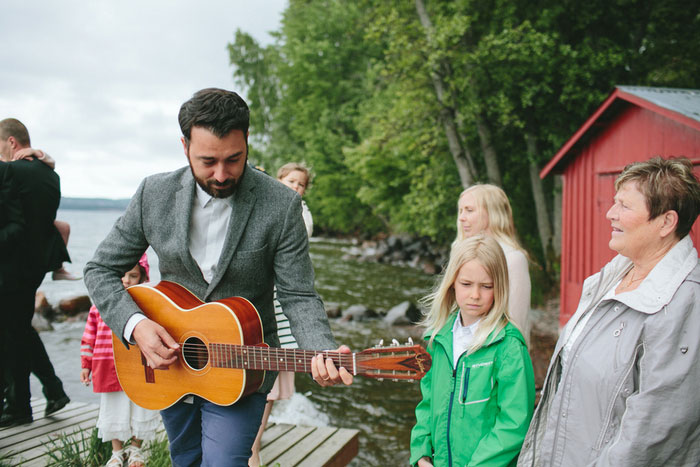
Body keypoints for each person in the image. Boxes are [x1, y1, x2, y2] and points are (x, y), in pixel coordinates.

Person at [83, 88, 353, 466]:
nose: (222, 174)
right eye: (208, 161)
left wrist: (321, 347)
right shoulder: (153, 194)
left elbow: (298, 295)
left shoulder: (282, 204)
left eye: (234, 159)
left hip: (245, 370)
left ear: (246, 142)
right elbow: (99, 270)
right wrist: (136, 326)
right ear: (184, 146)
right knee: (186, 460)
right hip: (169, 365)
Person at [518, 156, 700, 467]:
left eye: (624, 206)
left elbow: (649, 438)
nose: (610, 213)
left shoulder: (685, 304)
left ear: (666, 223)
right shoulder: (613, 276)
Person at [410, 235, 535, 467]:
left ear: (499, 287)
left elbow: (514, 423)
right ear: (452, 283)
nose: (475, 295)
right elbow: (427, 404)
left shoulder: (509, 347)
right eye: (466, 284)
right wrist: (421, 453)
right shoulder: (438, 340)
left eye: (486, 286)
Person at [0, 118, 70, 427]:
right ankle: (51, 390)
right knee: (19, 330)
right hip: (36, 266)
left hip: (11, 266)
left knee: (14, 334)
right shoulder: (49, 174)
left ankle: (19, 406)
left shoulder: (11, 171)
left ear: (11, 142)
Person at [249, 162, 313, 467]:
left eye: (301, 184)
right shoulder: (262, 205)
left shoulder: (300, 214)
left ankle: (255, 446)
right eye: (290, 181)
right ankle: (249, 446)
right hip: (257, 308)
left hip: (280, 310)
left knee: (271, 387)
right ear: (279, 180)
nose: (296, 188)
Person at [81, 254, 160, 467]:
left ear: (143, 277)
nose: (126, 280)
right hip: (108, 366)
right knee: (112, 409)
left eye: (133, 275)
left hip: (140, 368)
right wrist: (86, 364)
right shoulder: (101, 305)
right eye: (121, 275)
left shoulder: (147, 305)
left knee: (142, 407)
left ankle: (135, 450)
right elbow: (89, 336)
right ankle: (116, 453)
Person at [456, 184, 532, 345]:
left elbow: (517, 323)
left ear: (492, 213)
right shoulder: (460, 252)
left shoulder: (513, 259)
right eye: (460, 210)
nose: (462, 217)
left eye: (469, 210)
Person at [11, 148, 79, 280]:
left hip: (35, 222)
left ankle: (58, 269)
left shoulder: (27, 160)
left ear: (12, 142)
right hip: (24, 223)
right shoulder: (9, 164)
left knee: (64, 227)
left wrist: (38, 153)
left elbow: (52, 162)